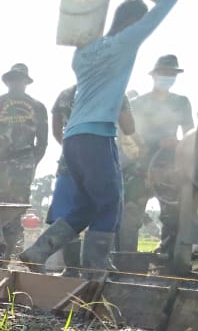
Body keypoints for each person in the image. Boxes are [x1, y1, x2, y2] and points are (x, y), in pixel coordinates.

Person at [21, 0, 179, 278]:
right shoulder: (125, 43)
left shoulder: (82, 53)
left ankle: (38, 251)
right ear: (132, 22)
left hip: (73, 140)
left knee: (85, 206)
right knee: (110, 204)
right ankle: (95, 273)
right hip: (97, 137)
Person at [45, 85, 136, 274]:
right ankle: (95, 267)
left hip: (70, 161)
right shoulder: (114, 89)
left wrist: (73, 148)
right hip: (103, 160)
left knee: (68, 211)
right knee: (106, 209)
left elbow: (56, 130)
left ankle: (67, 267)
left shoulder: (66, 93)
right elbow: (129, 127)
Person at [122, 54, 194, 256]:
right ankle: (127, 259)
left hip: (169, 168)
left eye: (172, 74)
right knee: (131, 213)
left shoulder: (181, 103)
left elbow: (190, 135)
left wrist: (177, 143)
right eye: (164, 73)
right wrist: (152, 145)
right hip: (140, 167)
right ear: (154, 75)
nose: (168, 77)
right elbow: (129, 135)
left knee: (173, 215)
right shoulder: (138, 103)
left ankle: (168, 256)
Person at [0, 63, 49, 259]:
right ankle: (2, 258)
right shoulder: (37, 107)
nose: (16, 83)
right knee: (8, 216)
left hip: (3, 169)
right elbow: (42, 145)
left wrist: (0, 154)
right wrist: (28, 163)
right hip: (16, 171)